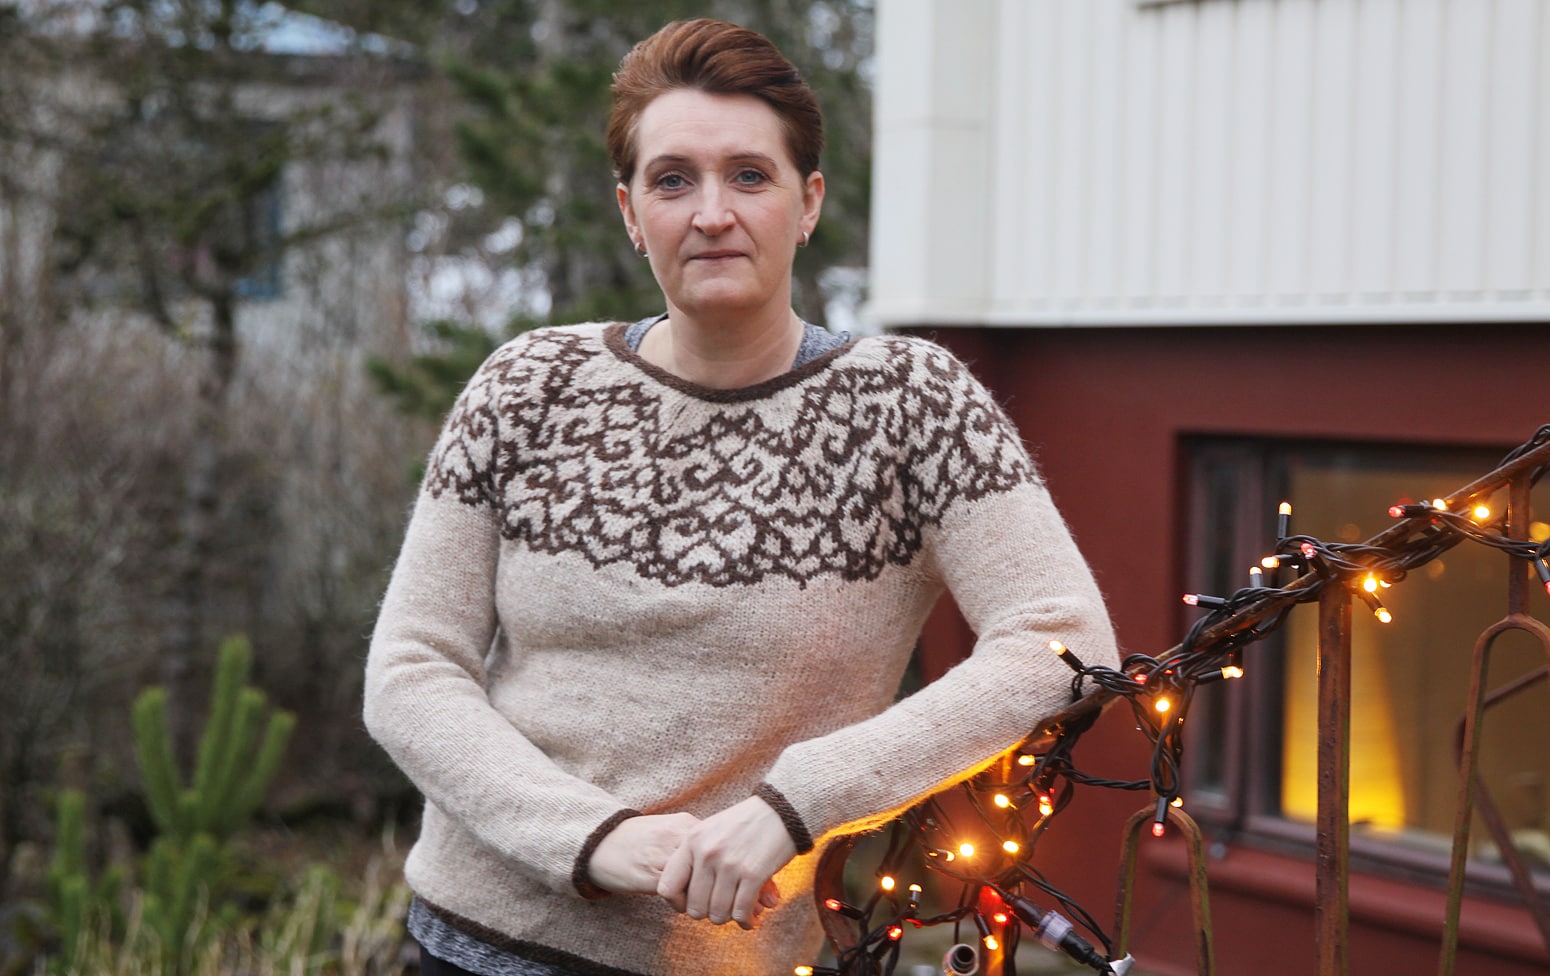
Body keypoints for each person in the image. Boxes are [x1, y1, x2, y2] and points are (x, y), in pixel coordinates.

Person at [364, 18, 1117, 976]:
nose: (711, 213)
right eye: (672, 180)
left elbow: (1063, 641)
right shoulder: (528, 384)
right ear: (631, 212)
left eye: (750, 176)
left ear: (808, 203)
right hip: (466, 946)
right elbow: (412, 669)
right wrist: (591, 837)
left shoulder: (911, 405)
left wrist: (798, 803)